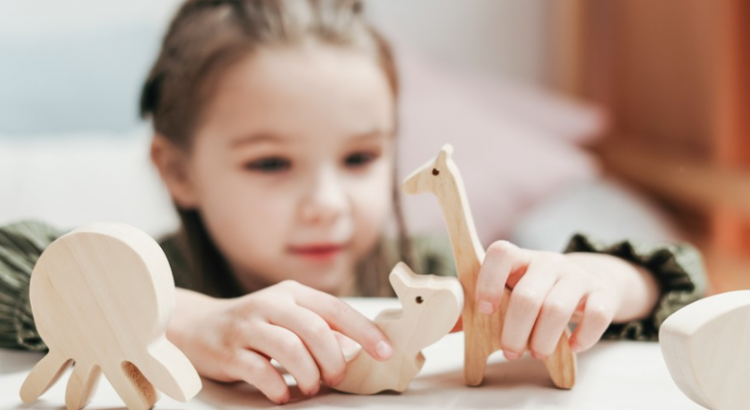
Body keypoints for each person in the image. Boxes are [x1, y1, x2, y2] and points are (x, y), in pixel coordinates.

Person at [0, 0, 706, 405]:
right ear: (177, 171)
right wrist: (182, 319)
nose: (327, 204)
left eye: (361, 157)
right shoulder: (148, 275)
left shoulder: (435, 276)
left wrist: (613, 282)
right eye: (271, 163)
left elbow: (681, 291)